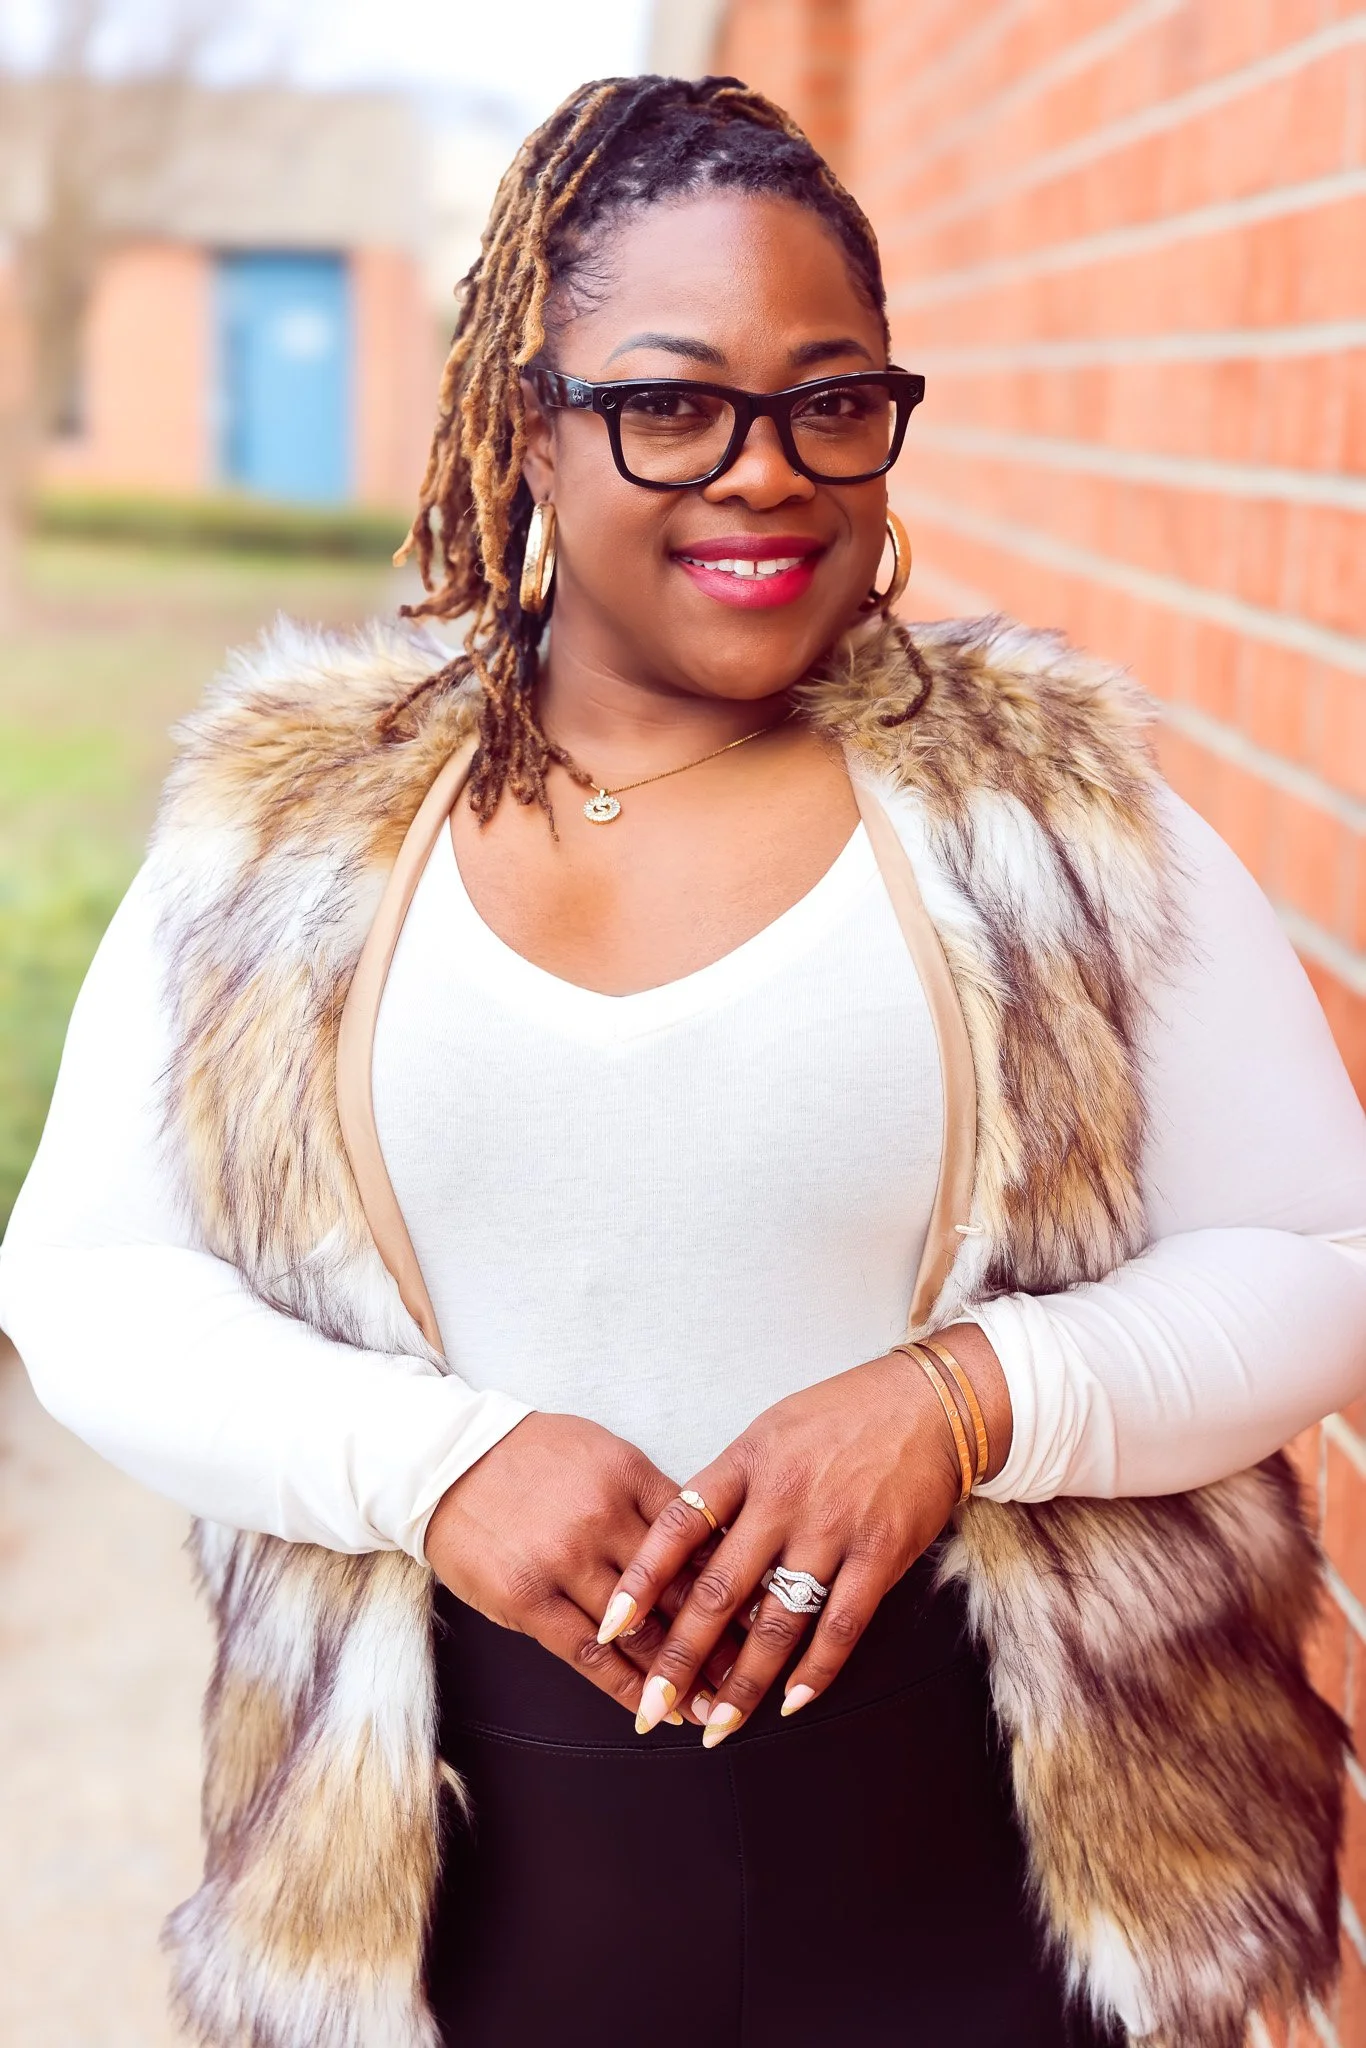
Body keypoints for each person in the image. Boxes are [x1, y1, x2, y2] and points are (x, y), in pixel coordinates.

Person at [3, 73, 1364, 2048]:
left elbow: (1323, 1256)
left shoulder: (1056, 819)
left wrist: (965, 1399)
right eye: (670, 402)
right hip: (465, 1887)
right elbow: (87, 1285)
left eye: (830, 400)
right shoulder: (292, 838)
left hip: (990, 1865)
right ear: (524, 426)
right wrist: (435, 1460)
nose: (765, 471)